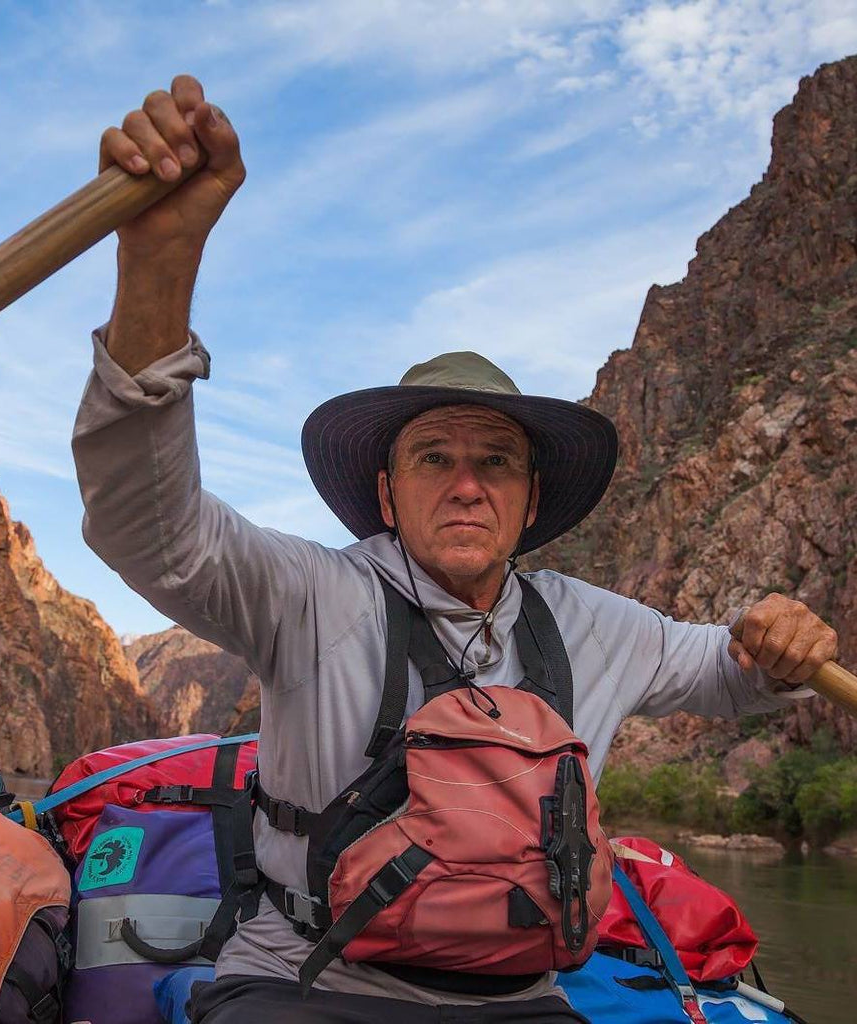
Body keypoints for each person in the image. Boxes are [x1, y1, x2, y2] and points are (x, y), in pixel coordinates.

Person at [72, 76, 839, 1023]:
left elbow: (731, 673)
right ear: (388, 494)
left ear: (529, 502)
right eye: (434, 458)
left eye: (497, 462)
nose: (467, 483)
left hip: (522, 997)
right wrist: (159, 260)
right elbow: (148, 529)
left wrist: (782, 643)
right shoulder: (310, 596)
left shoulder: (597, 625)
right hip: (308, 979)